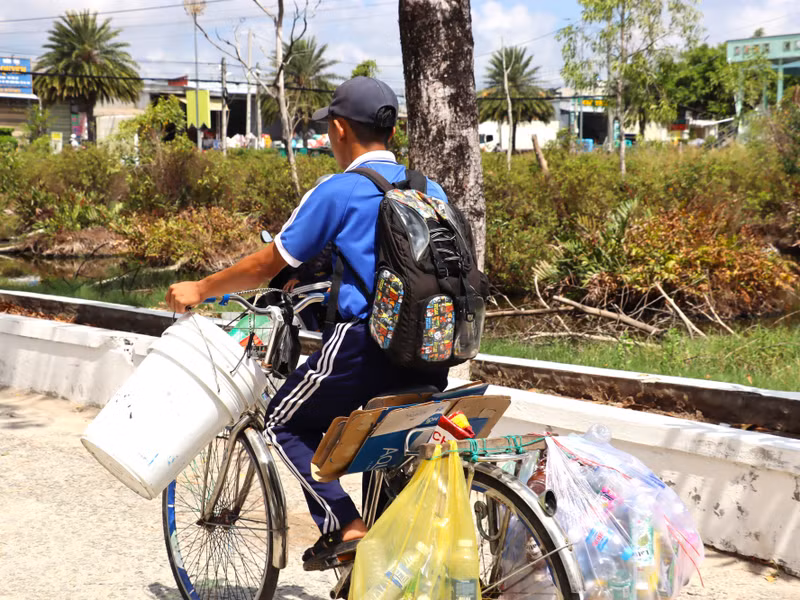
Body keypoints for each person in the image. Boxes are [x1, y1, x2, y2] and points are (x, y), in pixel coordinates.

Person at [165, 76, 450, 566]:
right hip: (432, 350)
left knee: (282, 422)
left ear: (339, 129)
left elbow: (267, 264)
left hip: (366, 345)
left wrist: (200, 288)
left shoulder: (339, 191)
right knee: (384, 447)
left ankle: (347, 525)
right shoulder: (429, 187)